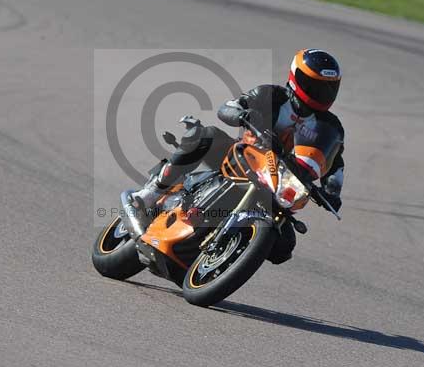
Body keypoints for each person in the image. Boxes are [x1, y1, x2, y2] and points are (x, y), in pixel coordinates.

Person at [131, 48, 346, 263]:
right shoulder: (272, 95)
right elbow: (229, 107)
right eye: (315, 84)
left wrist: (332, 191)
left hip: (282, 182)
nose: (321, 92)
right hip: (244, 157)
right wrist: (241, 113)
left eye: (327, 87)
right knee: (205, 136)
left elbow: (335, 162)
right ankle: (152, 192)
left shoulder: (330, 126)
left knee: (283, 247)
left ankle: (224, 254)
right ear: (296, 77)